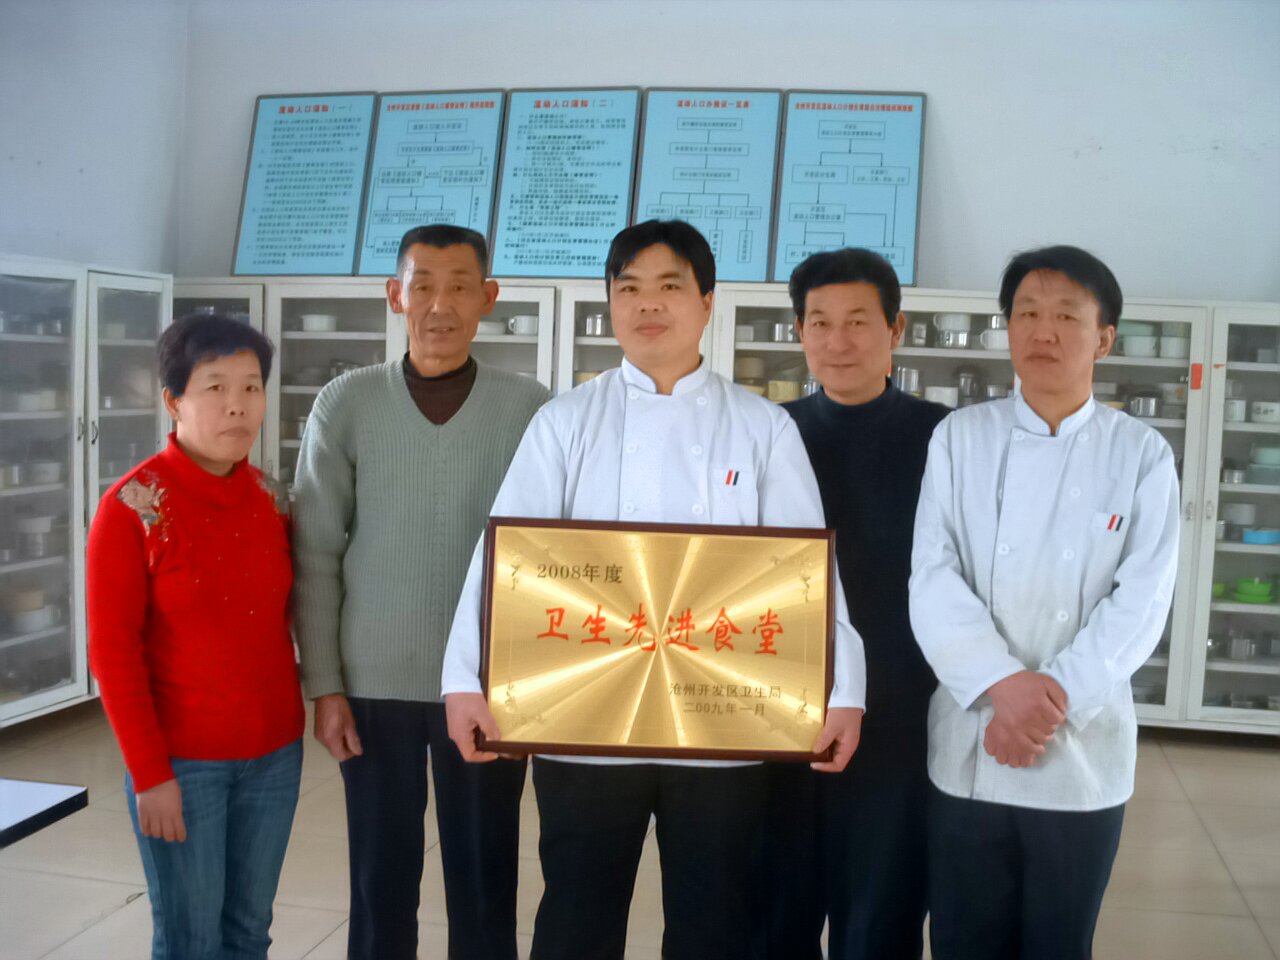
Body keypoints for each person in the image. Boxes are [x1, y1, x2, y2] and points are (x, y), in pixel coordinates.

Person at [442, 219, 867, 960]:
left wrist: (844, 689)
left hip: (724, 725)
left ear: (706, 302)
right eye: (629, 288)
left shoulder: (762, 428)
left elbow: (807, 574)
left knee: (716, 921)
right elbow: (505, 554)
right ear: (610, 303)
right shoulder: (565, 422)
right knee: (576, 915)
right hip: (584, 723)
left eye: (669, 286)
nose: (648, 304)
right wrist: (464, 679)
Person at [909, 245, 1180, 960]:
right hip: (972, 740)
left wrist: (1043, 702)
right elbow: (932, 578)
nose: (1042, 331)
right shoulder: (959, 438)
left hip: (1080, 756)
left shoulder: (1141, 454)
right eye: (1026, 313)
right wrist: (1003, 688)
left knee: (1060, 942)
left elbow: (1141, 604)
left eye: (1066, 315)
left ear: (1104, 337)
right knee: (964, 940)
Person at [291, 224, 550, 960]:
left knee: (485, 876)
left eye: (460, 286)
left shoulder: (530, 407)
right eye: (423, 285)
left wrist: (536, 688)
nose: (441, 304)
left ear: (489, 298)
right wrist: (325, 687)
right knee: (380, 879)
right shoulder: (345, 402)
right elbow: (314, 552)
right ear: (395, 294)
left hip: (491, 684)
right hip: (374, 682)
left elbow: (553, 556)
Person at [87, 314, 303, 959]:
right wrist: (149, 775)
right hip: (182, 766)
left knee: (248, 933)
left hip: (274, 757)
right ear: (173, 400)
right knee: (190, 940)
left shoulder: (271, 500)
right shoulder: (132, 507)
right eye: (215, 387)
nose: (238, 405)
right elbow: (113, 653)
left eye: (252, 386)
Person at [763, 248, 949, 959]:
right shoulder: (767, 433)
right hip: (778, 701)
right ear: (799, 331)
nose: (837, 342)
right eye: (819, 322)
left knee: (881, 915)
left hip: (899, 709)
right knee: (776, 910)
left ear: (895, 329)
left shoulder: (944, 438)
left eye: (858, 321)